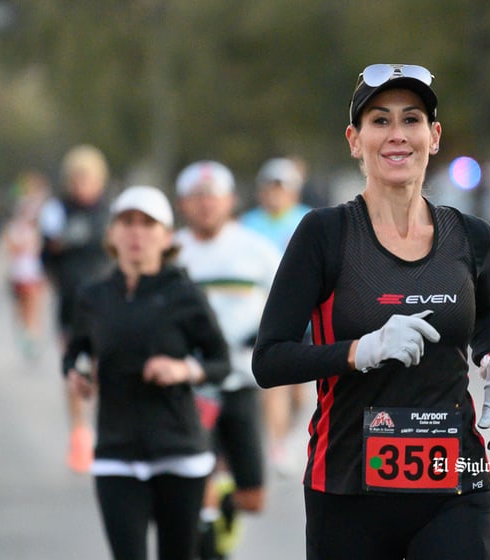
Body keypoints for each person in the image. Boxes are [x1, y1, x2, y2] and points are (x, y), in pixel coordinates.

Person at [252, 63, 490, 559]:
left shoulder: (471, 236)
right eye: (379, 121)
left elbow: (483, 316)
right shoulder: (326, 234)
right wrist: (361, 351)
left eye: (411, 119)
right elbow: (270, 359)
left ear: (435, 136)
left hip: (455, 486)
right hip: (346, 487)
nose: (397, 135)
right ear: (355, 140)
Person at [62, 185, 230, 560]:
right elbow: (75, 352)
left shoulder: (184, 293)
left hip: (179, 451)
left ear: (167, 236)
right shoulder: (93, 296)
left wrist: (183, 369)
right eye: (126, 222)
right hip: (116, 450)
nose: (136, 232)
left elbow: (221, 361)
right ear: (112, 234)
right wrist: (77, 373)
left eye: (147, 224)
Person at [174, 160, 282, 559]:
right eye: (196, 198)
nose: (205, 205)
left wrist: (268, 336)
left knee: (253, 496)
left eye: (213, 196)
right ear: (183, 204)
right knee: (195, 481)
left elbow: (285, 303)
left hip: (242, 380)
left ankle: (221, 504)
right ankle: (206, 532)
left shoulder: (256, 249)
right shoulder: (172, 251)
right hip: (191, 385)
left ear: (230, 200)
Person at [40, 144, 113, 473]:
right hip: (71, 304)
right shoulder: (56, 210)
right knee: (75, 370)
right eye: (77, 179)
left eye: (89, 178)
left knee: (104, 369)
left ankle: (108, 433)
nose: (83, 185)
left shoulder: (112, 212)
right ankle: (80, 434)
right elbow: (47, 254)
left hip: (107, 303)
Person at [240, 156, 312, 475]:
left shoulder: (308, 220)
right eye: (270, 187)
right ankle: (277, 444)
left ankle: (289, 437)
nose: (275, 194)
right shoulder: (248, 225)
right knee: (276, 384)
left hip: (306, 315)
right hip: (263, 315)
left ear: (294, 192)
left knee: (300, 392)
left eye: (281, 188)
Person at [2, 170, 50, 359]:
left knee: (32, 305)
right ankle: (26, 334)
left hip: (33, 271)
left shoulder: (39, 220)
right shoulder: (16, 224)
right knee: (22, 306)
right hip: (19, 271)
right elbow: (9, 245)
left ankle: (32, 335)